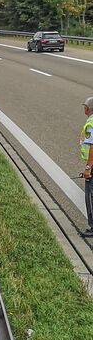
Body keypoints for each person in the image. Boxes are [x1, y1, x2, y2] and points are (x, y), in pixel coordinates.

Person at [81, 96, 93, 238]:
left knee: (90, 195)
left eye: (84, 106)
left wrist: (89, 167)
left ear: (88, 108)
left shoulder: (91, 123)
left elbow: (92, 145)